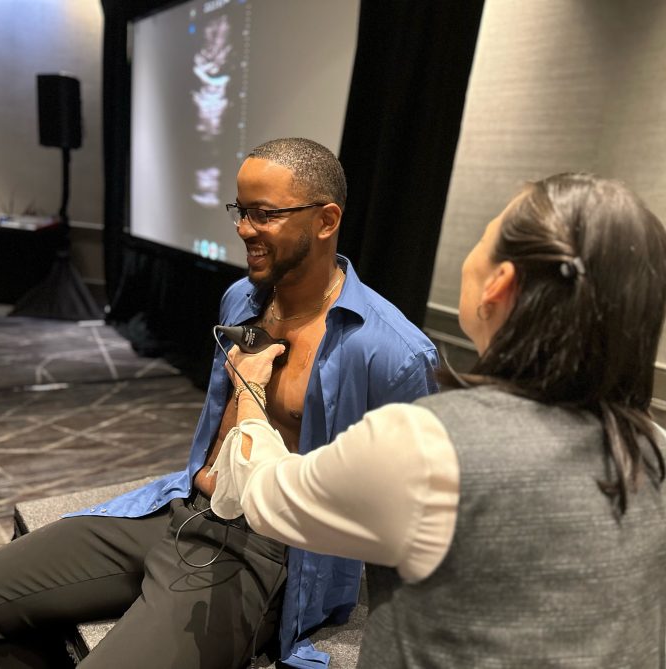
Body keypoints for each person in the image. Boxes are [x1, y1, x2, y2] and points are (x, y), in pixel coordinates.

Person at [0, 138, 439, 669]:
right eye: (241, 211)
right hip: (181, 504)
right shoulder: (242, 297)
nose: (244, 229)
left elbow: (410, 514)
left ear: (326, 219)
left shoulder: (392, 352)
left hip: (263, 551)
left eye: (264, 215)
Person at [210, 173, 666, 668]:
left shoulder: (430, 441)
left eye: (483, 240)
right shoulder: (654, 448)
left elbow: (267, 496)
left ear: (498, 284)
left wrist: (250, 388)